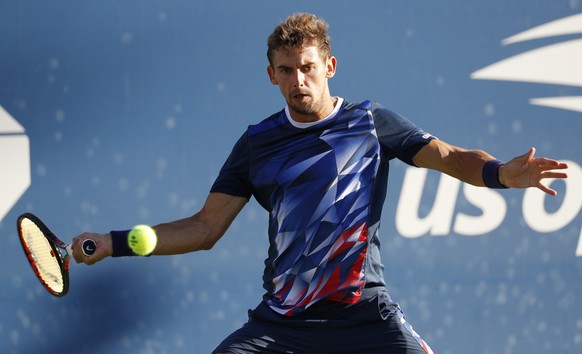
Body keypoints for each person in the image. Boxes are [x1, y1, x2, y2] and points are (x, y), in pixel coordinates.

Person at [72, 13, 568, 354]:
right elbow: (205, 228)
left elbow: (450, 157)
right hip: (282, 324)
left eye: (308, 68)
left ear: (329, 67)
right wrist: (113, 244)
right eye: (286, 71)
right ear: (271, 75)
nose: (299, 81)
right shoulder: (257, 144)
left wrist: (500, 173)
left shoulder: (372, 123)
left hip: (363, 314)